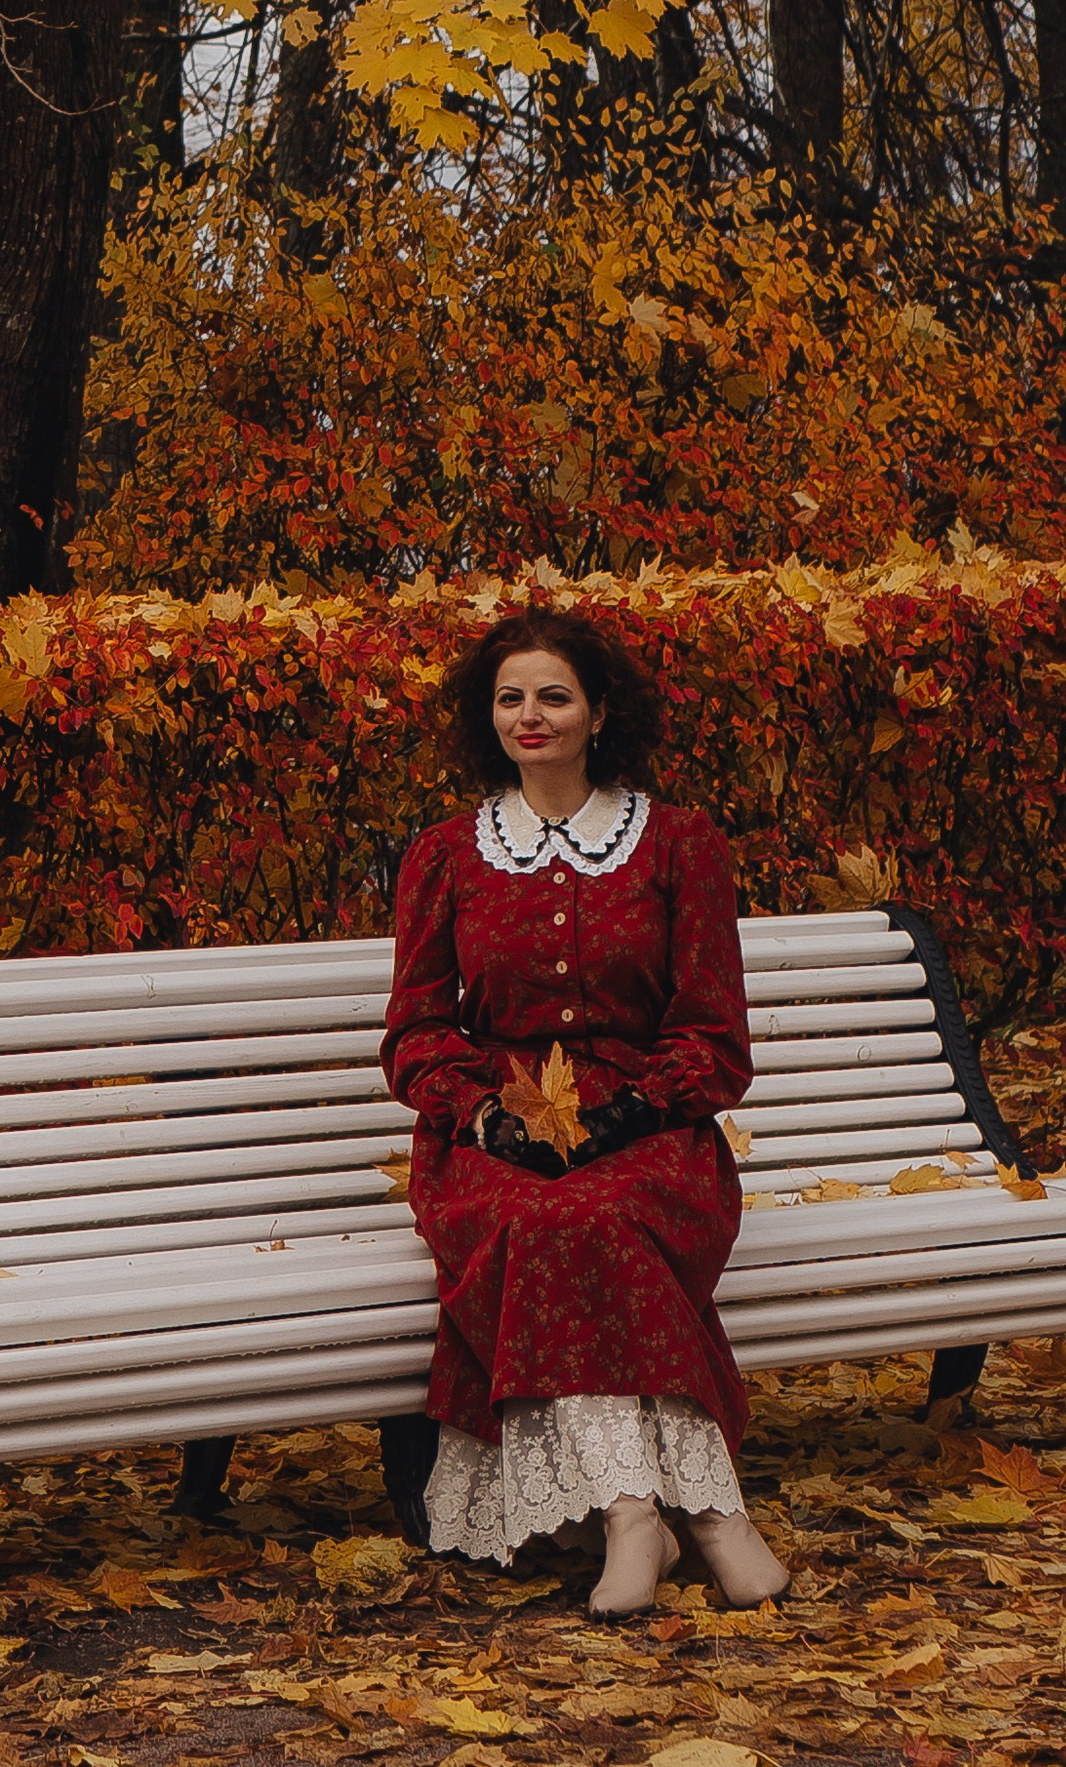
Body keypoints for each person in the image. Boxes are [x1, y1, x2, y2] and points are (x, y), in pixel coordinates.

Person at [379, 606, 792, 1617]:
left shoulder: (679, 846)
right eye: (511, 697)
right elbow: (417, 1031)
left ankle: (672, 1518)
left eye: (554, 695)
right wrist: (479, 1113)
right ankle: (668, 1516)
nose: (532, 715)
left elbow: (712, 1028)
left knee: (596, 1216)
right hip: (489, 1143)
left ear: (598, 711)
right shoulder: (446, 856)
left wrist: (639, 1109)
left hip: (650, 1135)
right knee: (548, 1217)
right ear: (489, 718)